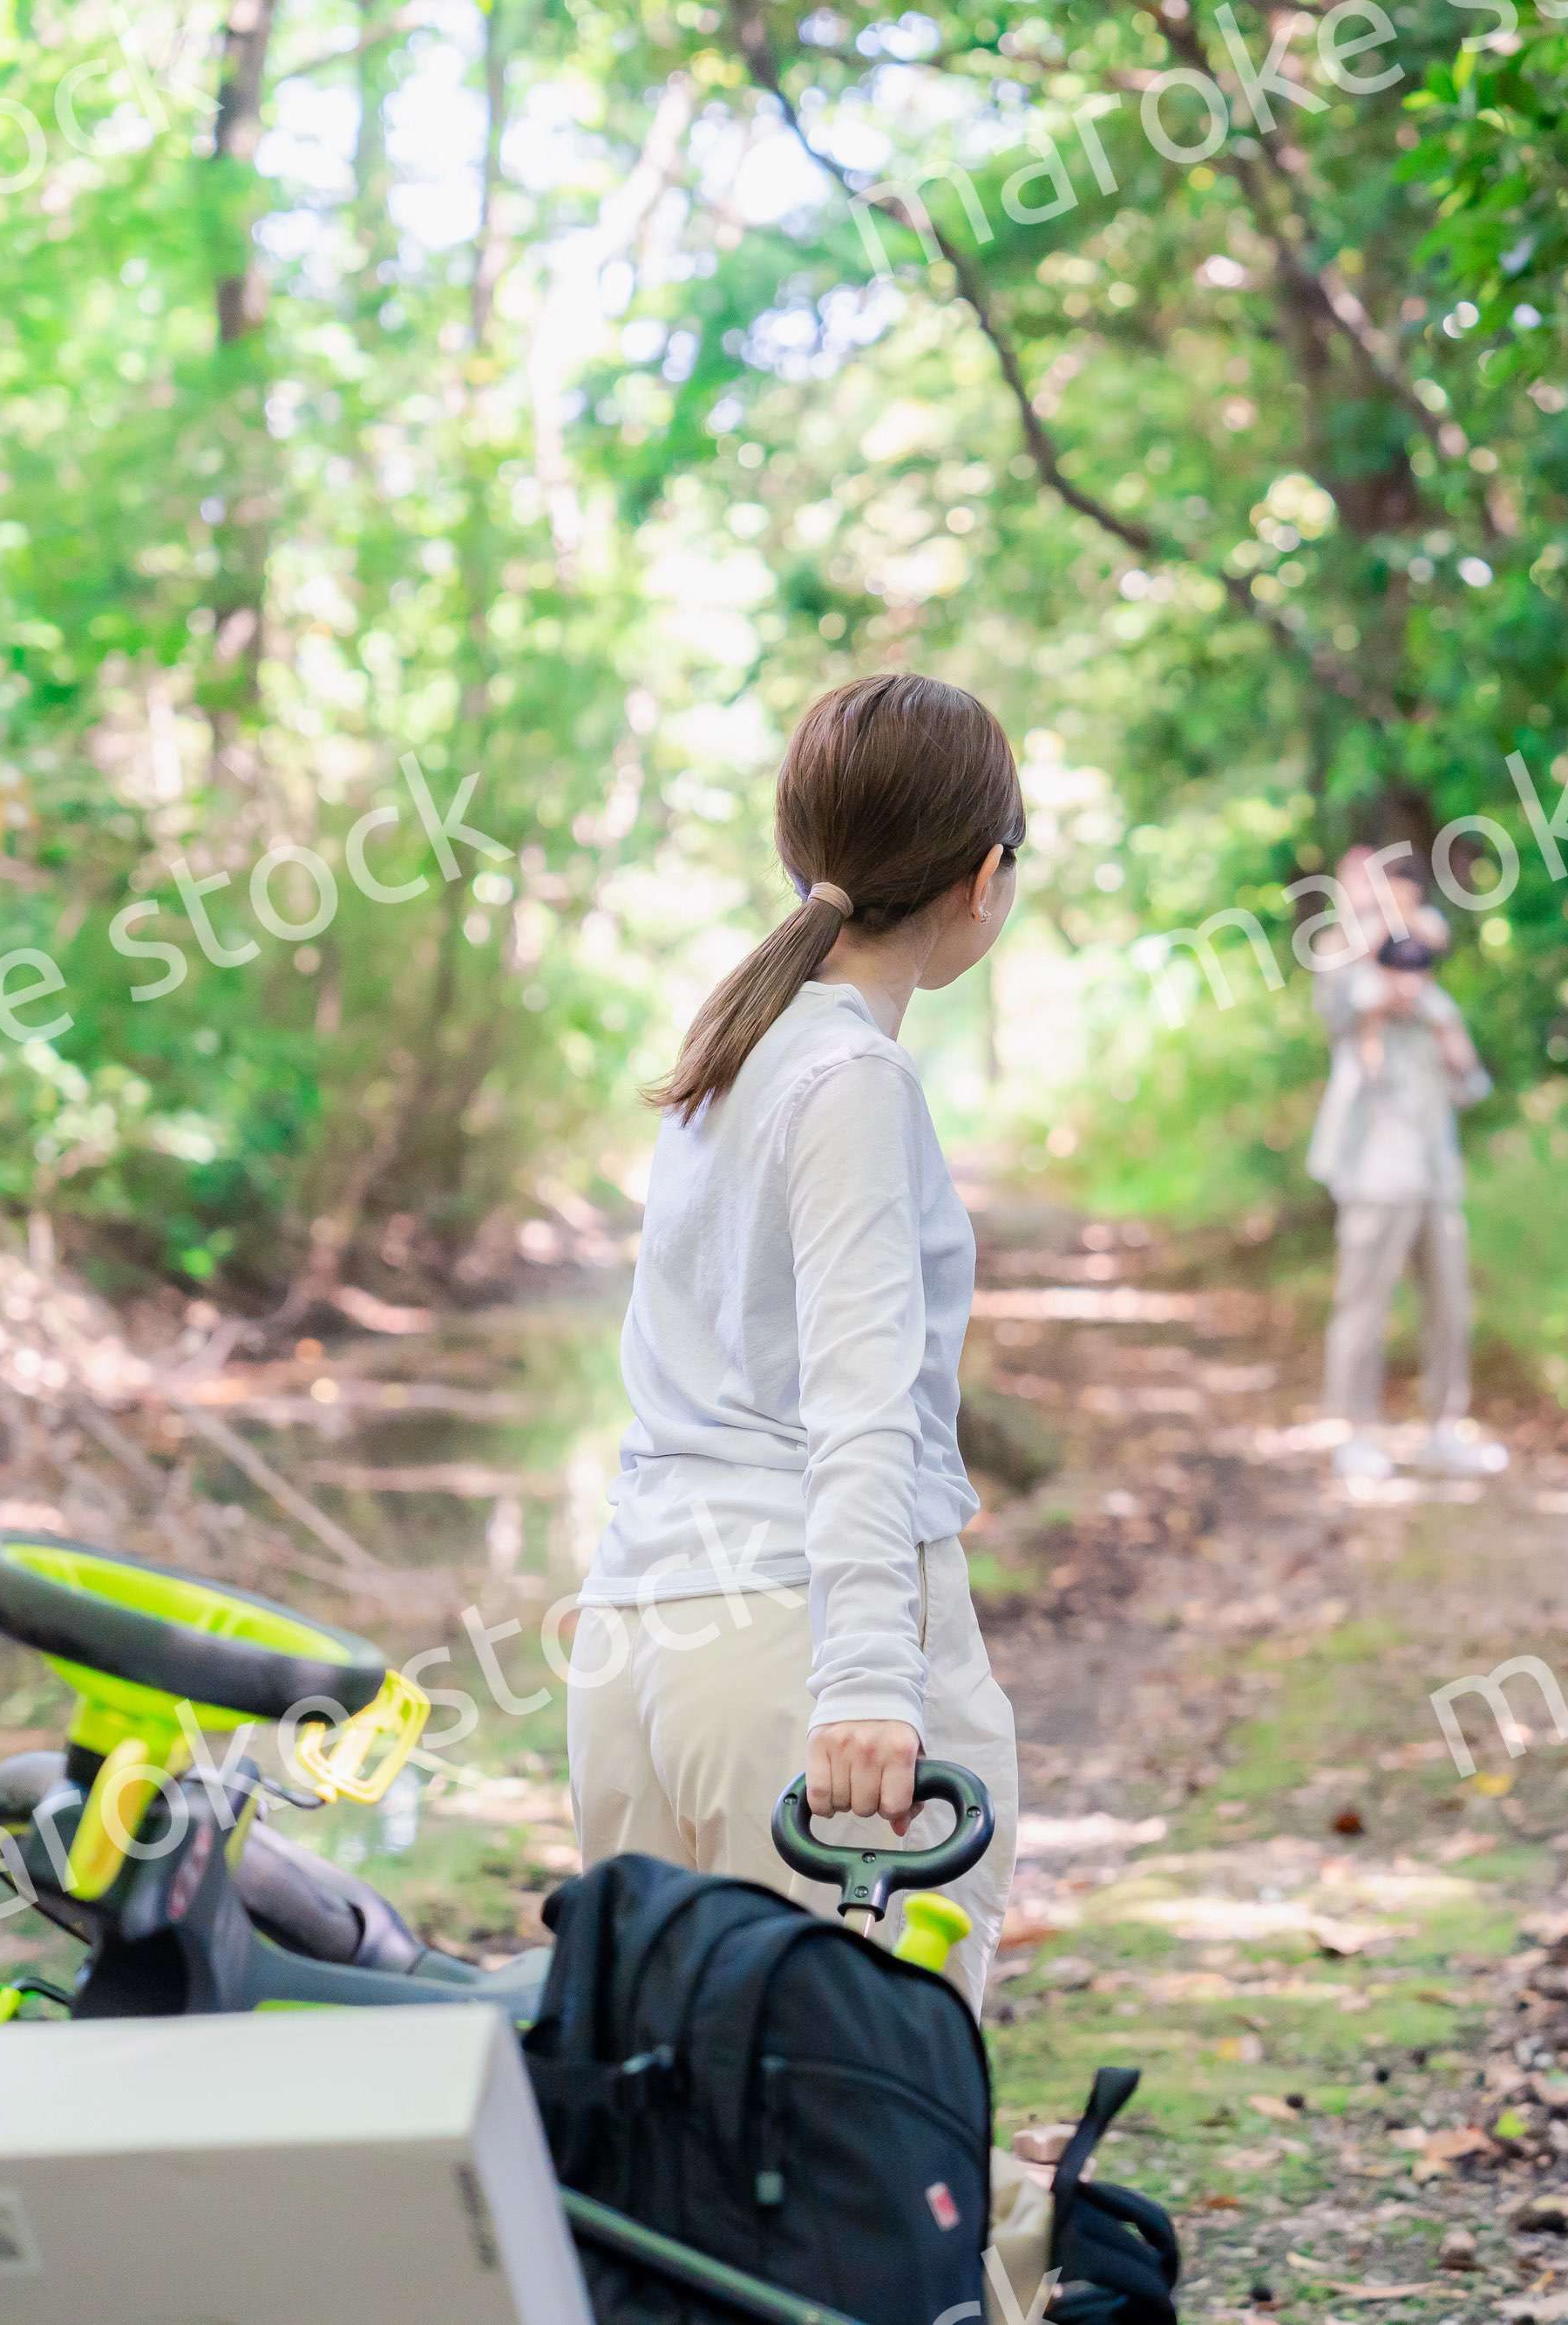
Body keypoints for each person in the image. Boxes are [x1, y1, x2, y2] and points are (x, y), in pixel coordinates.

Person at [567, 672, 1022, 2008]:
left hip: (637, 1644)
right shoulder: (853, 1080)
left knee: (677, 2144)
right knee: (858, 2126)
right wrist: (871, 1680)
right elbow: (861, 1400)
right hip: (793, 1660)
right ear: (983, 877)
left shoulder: (729, 1053)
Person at [1309, 850, 1504, 1484]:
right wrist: (1369, 928)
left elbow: (1469, 1077)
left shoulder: (1427, 978)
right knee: (1363, 1304)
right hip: (1373, 1166)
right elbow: (1343, 1003)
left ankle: (1445, 1427)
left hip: (1434, 1167)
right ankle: (1355, 1433)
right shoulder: (1344, 954)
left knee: (1451, 1302)